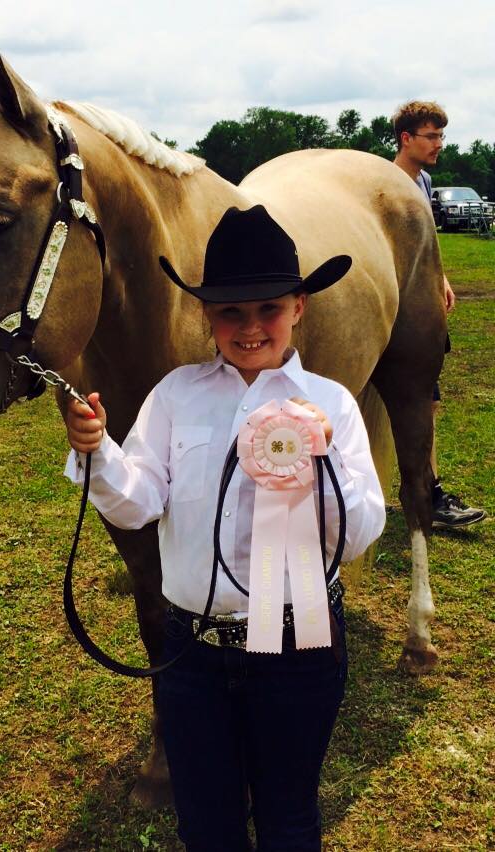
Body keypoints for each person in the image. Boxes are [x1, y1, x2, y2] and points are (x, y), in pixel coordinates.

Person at [64, 205, 385, 851]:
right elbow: (138, 502)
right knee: (205, 823)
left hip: (298, 649)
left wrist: (321, 458)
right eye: (231, 312)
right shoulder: (175, 395)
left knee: (289, 816)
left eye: (269, 309)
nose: (251, 327)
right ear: (206, 314)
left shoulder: (332, 404)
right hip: (194, 653)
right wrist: (98, 451)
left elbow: (358, 535)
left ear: (299, 308)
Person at [392, 100, 486, 530]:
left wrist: (440, 277)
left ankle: (428, 490)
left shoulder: (425, 181)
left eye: (441, 136)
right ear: (406, 138)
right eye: (431, 136)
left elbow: (427, 243)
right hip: (397, 307)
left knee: (426, 400)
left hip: (419, 304)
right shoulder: (388, 183)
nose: (439, 144)